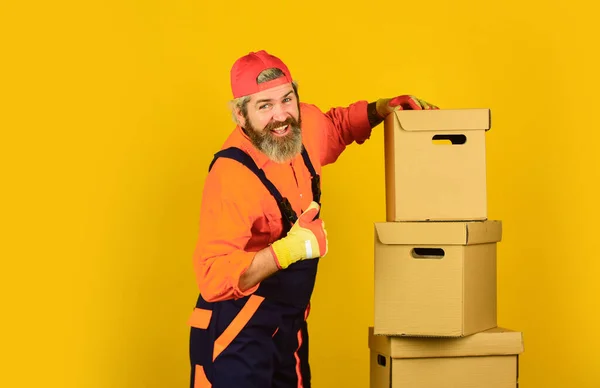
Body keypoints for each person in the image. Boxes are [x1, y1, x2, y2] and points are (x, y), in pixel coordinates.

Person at [187, 50, 438, 388]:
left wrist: (381, 108)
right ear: (240, 114)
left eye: (287, 99)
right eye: (264, 106)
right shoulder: (231, 175)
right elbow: (212, 276)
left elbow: (338, 125)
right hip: (235, 337)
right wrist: (286, 251)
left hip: (288, 328)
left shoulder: (303, 128)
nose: (281, 117)